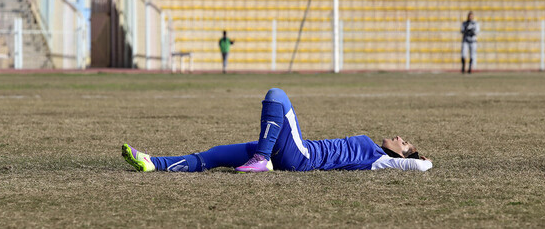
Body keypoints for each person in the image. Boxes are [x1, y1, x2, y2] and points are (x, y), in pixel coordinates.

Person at [122, 88, 433, 173]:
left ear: (400, 154)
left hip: (303, 158)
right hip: (292, 155)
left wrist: (419, 157)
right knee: (214, 155)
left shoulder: (382, 161)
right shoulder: (377, 150)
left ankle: (261, 157)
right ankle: (153, 163)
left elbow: (420, 166)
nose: (398, 138)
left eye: (402, 142)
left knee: (277, 95)